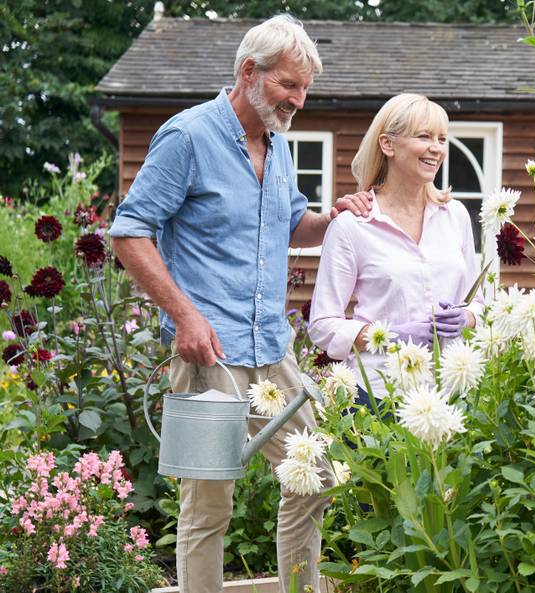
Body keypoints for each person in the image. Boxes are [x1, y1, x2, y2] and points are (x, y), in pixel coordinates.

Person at [108, 15, 371, 593]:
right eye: (288, 85)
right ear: (249, 71)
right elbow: (129, 232)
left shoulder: (278, 148)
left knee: (316, 477)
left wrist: (332, 219)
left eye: (305, 89)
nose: (299, 100)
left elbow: (289, 225)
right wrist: (184, 315)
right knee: (208, 507)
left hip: (274, 351)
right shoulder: (188, 137)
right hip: (210, 354)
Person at [308, 94, 485, 402]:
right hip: (379, 396)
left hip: (453, 393)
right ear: (388, 145)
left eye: (442, 139)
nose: (437, 148)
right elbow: (323, 325)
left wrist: (465, 318)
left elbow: (478, 303)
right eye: (424, 136)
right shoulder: (353, 226)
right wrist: (394, 336)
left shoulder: (454, 216)